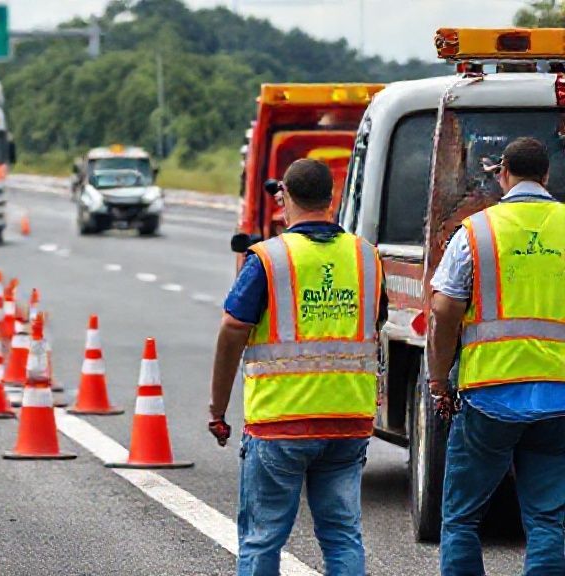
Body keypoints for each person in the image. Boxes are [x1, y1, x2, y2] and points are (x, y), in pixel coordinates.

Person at [208, 159, 386, 576]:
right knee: (342, 537)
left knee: (262, 538)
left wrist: (217, 409)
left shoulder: (270, 259)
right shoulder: (366, 257)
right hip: (347, 420)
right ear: (332, 199)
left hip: (280, 422)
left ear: (284, 197)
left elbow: (234, 326)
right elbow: (373, 321)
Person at [428, 137, 565, 576]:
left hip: (489, 396)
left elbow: (444, 309)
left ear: (503, 174)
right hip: (559, 398)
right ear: (546, 175)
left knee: (462, 518)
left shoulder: (476, 232)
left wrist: (438, 379)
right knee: (548, 518)